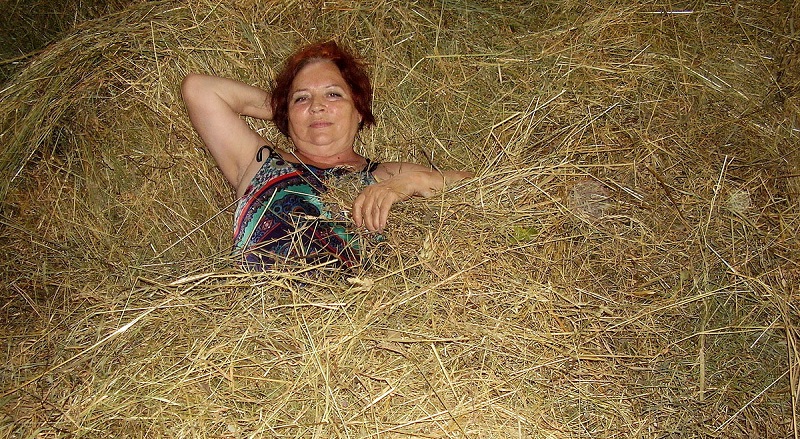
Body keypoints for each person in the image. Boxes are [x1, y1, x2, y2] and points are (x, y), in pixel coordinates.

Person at [181, 40, 473, 269]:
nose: (317, 106)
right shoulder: (258, 162)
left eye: (333, 94)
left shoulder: (386, 175)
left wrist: (410, 183)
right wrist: (284, 109)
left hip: (353, 318)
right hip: (265, 319)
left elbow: (482, 186)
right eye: (302, 98)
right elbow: (200, 90)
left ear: (358, 110)